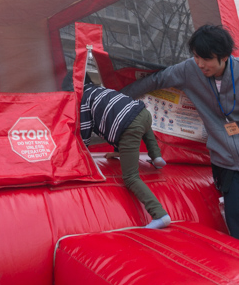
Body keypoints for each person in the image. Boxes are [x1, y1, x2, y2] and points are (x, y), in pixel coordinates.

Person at [123, 23, 239, 259]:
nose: (200, 64)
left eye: (207, 59)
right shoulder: (189, 70)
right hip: (230, 173)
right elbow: (156, 81)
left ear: (224, 56)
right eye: (196, 57)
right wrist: (115, 97)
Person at [66, 71, 171, 229]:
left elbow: (85, 131)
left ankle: (160, 214)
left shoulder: (83, 100)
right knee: (142, 125)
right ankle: (156, 157)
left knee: (130, 178)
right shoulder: (100, 91)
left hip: (129, 127)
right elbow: (114, 117)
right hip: (143, 113)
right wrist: (118, 151)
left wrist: (81, 154)